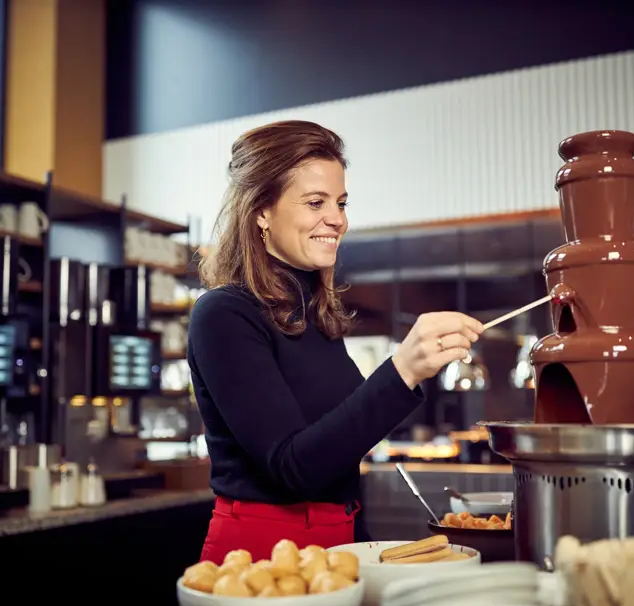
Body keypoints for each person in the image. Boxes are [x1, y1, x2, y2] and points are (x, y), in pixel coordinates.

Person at [188, 120, 484, 563]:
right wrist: (401, 370)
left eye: (341, 202)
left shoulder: (313, 315)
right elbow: (293, 468)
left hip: (339, 542)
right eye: (315, 202)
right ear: (261, 211)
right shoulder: (224, 314)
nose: (338, 219)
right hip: (263, 556)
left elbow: (338, 452)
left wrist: (365, 547)